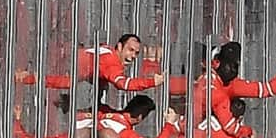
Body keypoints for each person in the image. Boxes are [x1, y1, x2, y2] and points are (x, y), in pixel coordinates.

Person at [14, 94, 179, 138]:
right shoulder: (125, 134)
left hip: (73, 137)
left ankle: (14, 121)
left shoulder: (106, 111)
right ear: (141, 117)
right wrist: (169, 125)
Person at [15, 34, 164, 102]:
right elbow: (122, 84)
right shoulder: (112, 64)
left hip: (66, 54)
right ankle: (23, 77)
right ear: (119, 46)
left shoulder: (108, 51)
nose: (133, 56)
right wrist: (152, 82)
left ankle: (24, 76)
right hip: (66, 62)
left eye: (136, 53)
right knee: (67, 83)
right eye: (130, 50)